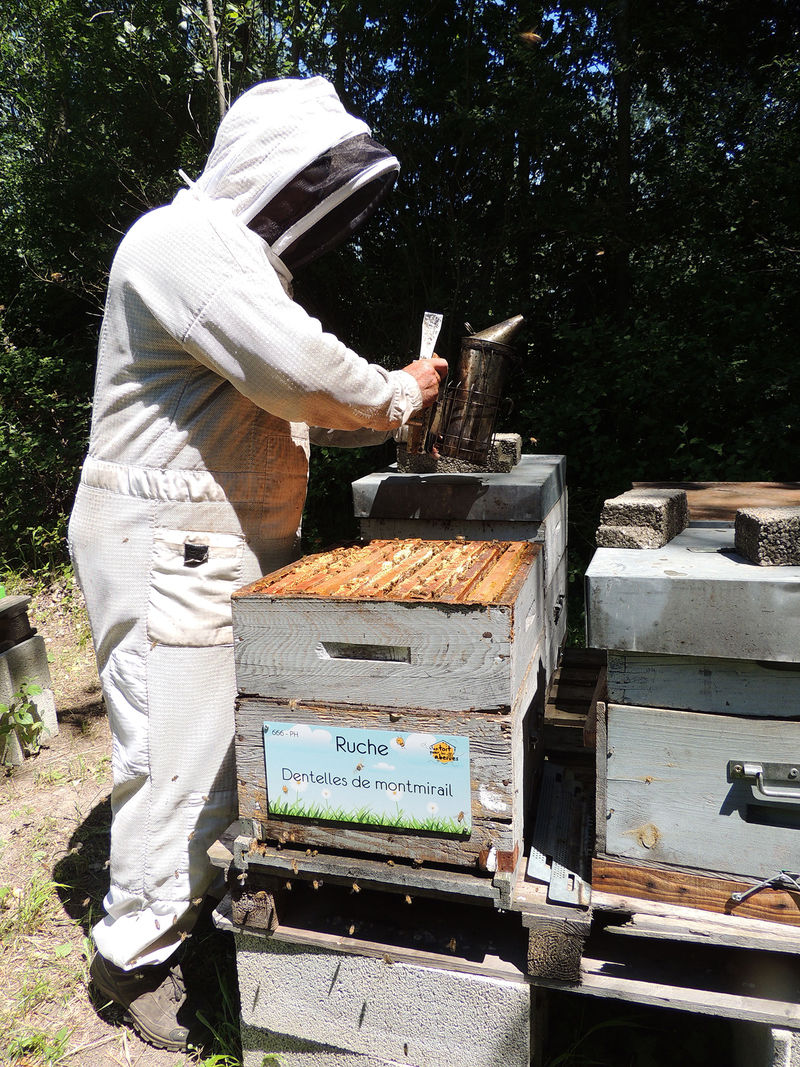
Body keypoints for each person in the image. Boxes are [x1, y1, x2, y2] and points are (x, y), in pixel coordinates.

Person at [68, 76, 447, 1051]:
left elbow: (307, 405)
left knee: (216, 754)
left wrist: (387, 408)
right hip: (171, 549)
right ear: (272, 167)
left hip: (206, 546)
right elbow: (313, 376)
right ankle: (137, 959)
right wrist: (400, 391)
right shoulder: (181, 244)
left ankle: (189, 912)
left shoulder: (232, 267)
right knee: (177, 763)